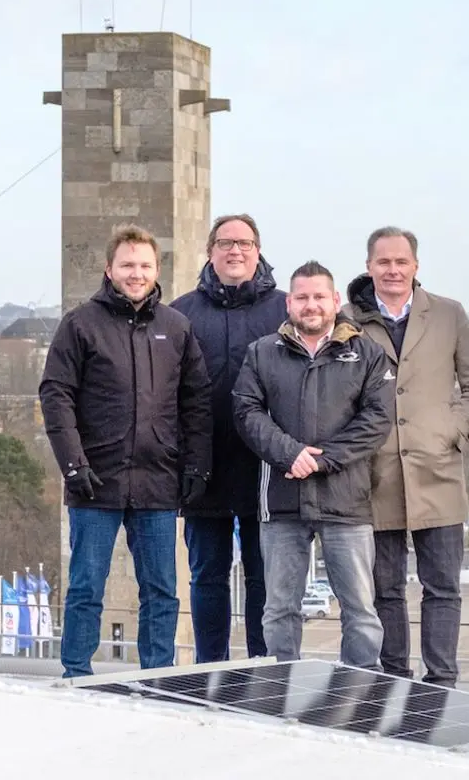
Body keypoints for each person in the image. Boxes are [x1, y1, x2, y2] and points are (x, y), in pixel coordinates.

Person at [40, 224, 213, 678]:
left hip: (158, 480)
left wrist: (196, 465)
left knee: (161, 590)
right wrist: (73, 464)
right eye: (127, 266)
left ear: (158, 270)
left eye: (144, 266)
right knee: (85, 587)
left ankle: (157, 675)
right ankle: (76, 672)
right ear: (109, 269)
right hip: (95, 481)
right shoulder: (80, 325)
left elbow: (196, 401)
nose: (136, 274)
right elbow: (55, 395)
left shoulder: (176, 328)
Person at [345, 227, 469, 688]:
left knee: (443, 587)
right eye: (383, 262)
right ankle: (393, 679)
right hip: (374, 474)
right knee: (385, 590)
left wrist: (452, 429)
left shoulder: (447, 314)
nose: (393, 270)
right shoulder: (347, 320)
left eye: (401, 262)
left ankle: (441, 682)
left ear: (416, 266)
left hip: (437, 469)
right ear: (369, 266)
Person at [232, 260, 393, 668]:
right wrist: (291, 454)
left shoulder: (368, 354)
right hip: (282, 503)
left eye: (319, 296)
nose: (311, 305)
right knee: (280, 610)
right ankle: (281, 687)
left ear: (336, 300)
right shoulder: (262, 353)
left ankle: (360, 693)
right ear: (289, 303)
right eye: (302, 297)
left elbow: (376, 420)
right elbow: (247, 413)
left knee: (360, 611)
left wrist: (322, 462)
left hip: (347, 502)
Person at [171, 214, 286, 663]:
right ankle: (209, 668)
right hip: (204, 465)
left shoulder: (283, 309)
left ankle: (263, 667)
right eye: (225, 243)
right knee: (207, 576)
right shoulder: (182, 312)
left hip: (268, 466)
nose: (234, 251)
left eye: (244, 243)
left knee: (264, 577)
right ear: (210, 251)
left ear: (258, 250)